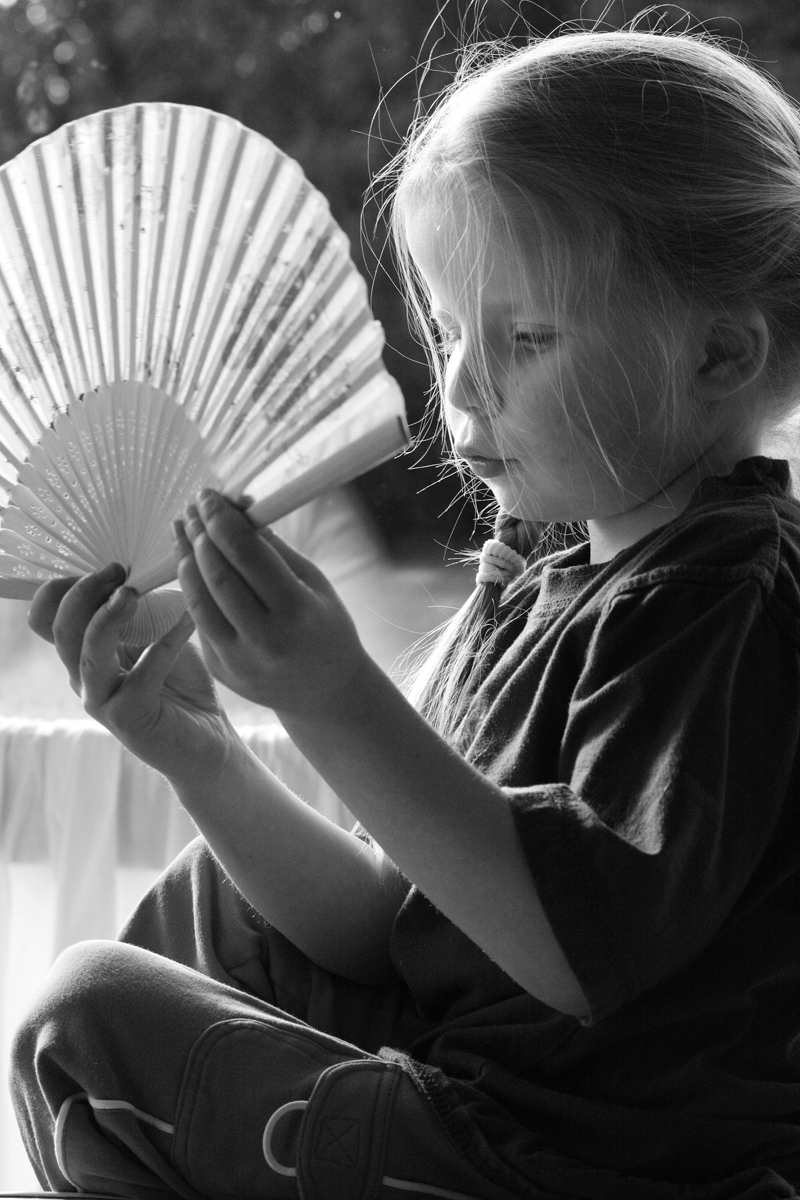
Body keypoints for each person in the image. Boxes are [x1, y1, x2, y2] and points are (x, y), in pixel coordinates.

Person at [10, 23, 800, 1200]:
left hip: (583, 1159)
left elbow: (571, 948)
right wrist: (199, 748)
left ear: (719, 353)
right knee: (208, 909)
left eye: (524, 338)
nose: (462, 386)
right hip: (476, 1082)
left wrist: (333, 697)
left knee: (89, 1028)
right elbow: (396, 928)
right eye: (447, 330)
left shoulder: (721, 597)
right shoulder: (540, 573)